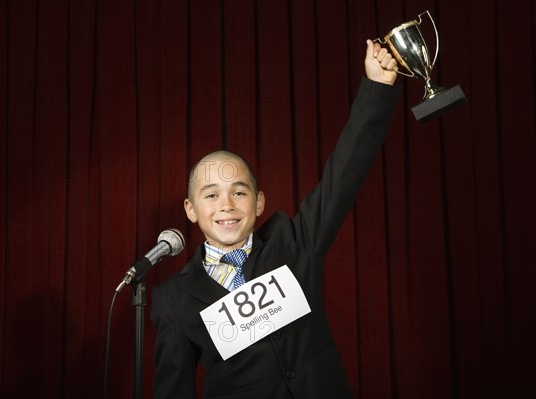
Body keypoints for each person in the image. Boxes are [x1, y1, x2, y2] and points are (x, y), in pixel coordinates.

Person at [151, 40, 400, 399]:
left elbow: (342, 177)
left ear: (259, 203)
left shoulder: (294, 242)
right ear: (190, 209)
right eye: (210, 195)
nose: (226, 205)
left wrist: (376, 87)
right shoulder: (173, 298)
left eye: (239, 192)